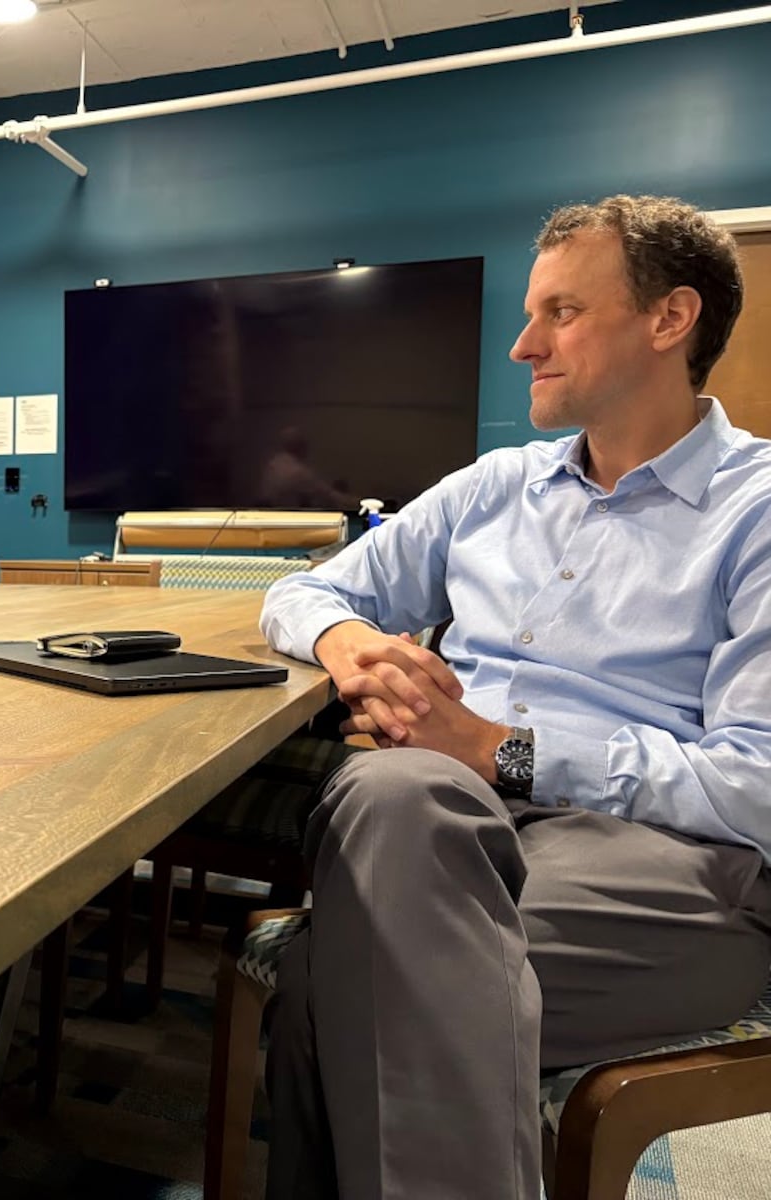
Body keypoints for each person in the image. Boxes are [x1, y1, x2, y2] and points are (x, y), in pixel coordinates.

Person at [258, 195, 771, 1200]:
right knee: (393, 795)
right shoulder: (491, 488)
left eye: (559, 313)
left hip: (659, 869)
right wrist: (353, 641)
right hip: (442, 822)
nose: (520, 346)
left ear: (669, 321)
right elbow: (301, 589)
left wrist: (505, 748)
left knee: (337, 974)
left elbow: (759, 787)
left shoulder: (757, 514)